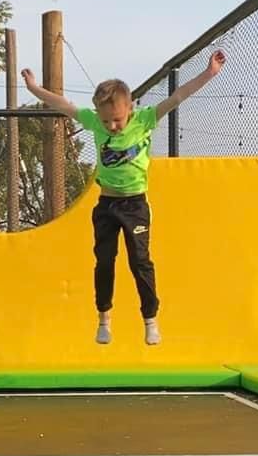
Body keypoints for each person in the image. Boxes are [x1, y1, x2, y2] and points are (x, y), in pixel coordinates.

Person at [21, 50, 226, 344]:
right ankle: (104, 318)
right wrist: (34, 88)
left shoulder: (145, 119)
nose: (111, 127)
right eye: (106, 122)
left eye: (116, 120)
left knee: (139, 261)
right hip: (106, 204)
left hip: (135, 206)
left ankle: (150, 318)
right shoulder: (94, 122)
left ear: (129, 107)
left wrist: (209, 73)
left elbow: (179, 96)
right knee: (104, 260)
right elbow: (63, 105)